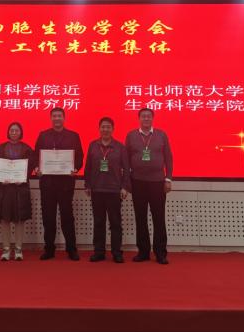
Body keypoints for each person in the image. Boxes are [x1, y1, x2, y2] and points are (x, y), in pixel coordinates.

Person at [33, 107, 84, 261]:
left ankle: (71, 249)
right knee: (48, 217)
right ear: (51, 118)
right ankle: (49, 249)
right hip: (47, 183)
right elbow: (36, 156)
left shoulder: (73, 136)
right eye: (54, 116)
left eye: (59, 116)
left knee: (67, 216)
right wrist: (37, 168)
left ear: (64, 118)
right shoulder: (43, 135)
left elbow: (79, 157)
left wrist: (75, 169)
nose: (57, 118)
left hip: (66, 183)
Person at [125, 108, 173, 265]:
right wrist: (127, 181)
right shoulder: (131, 136)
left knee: (159, 218)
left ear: (153, 118)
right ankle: (143, 252)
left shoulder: (161, 135)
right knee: (140, 218)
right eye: (143, 116)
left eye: (148, 116)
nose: (146, 119)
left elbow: (168, 158)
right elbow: (126, 159)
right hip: (137, 181)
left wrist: (168, 178)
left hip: (157, 182)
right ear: (139, 119)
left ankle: (160, 253)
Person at [85, 117, 131, 264]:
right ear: (99, 129)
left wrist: (125, 187)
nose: (105, 129)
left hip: (114, 190)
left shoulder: (120, 147)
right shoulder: (93, 145)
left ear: (113, 129)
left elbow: (127, 169)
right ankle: (99, 252)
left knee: (115, 223)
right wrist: (87, 185)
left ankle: (117, 253)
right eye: (103, 127)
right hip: (97, 189)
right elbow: (88, 167)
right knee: (98, 222)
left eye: (108, 127)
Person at [0, 122, 36, 261]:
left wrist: (23, 178)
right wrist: (0, 178)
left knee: (19, 219)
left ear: (21, 132)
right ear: (8, 132)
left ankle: (18, 249)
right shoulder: (1, 148)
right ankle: (6, 249)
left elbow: (31, 167)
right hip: (4, 189)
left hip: (20, 189)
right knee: (5, 219)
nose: (14, 132)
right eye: (11, 130)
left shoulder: (27, 149)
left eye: (16, 130)